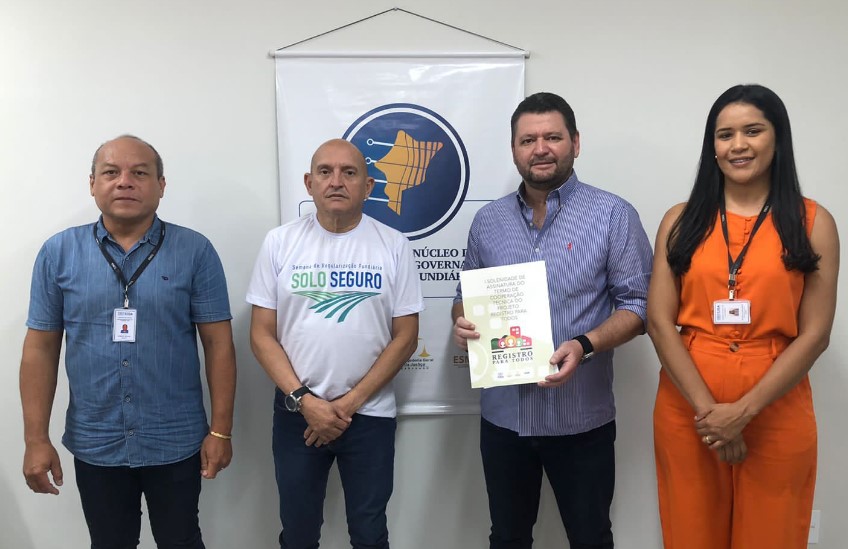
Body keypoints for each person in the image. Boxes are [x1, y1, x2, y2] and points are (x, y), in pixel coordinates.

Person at [452, 92, 653, 549]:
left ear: (575, 143)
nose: (540, 148)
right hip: (504, 420)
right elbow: (464, 298)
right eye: (528, 140)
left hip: (581, 420)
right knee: (507, 539)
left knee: (590, 539)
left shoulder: (613, 215)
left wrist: (584, 344)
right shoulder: (488, 221)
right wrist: (462, 321)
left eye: (552, 137)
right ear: (514, 150)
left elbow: (640, 307)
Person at [20, 135, 237, 548]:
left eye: (139, 172)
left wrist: (221, 432)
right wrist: (35, 439)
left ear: (161, 185)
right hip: (96, 439)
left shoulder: (195, 251)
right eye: (111, 172)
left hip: (175, 439)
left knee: (181, 541)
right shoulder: (58, 253)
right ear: (92, 184)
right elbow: (40, 349)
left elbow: (219, 345)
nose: (124, 182)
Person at [648, 84, 840, 549]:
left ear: (778, 138)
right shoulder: (680, 220)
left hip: (776, 405)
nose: (738, 145)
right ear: (712, 147)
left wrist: (743, 412)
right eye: (725, 134)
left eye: (753, 131)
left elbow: (815, 335)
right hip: (689, 406)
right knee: (691, 534)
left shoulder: (814, 222)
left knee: (772, 534)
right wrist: (711, 415)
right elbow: (658, 321)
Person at [247, 138, 423, 549]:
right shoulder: (280, 242)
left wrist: (347, 404)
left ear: (369, 186)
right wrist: (305, 401)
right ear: (309, 183)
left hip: (369, 415)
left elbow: (406, 337)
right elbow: (261, 334)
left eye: (349, 172)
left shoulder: (393, 245)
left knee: (370, 533)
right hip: (297, 414)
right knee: (298, 533)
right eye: (325, 172)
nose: (336, 181)